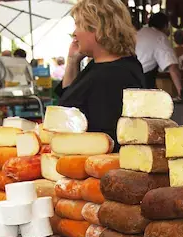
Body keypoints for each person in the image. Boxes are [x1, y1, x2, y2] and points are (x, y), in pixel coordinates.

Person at [57, 0, 144, 144]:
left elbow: (107, 138)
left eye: (78, 24)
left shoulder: (113, 75)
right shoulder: (99, 65)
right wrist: (73, 61)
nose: (74, 33)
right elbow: (69, 96)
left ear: (97, 28)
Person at [135, 13, 183, 95]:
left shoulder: (140, 33)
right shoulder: (160, 37)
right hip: (140, 83)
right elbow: (173, 67)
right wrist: (181, 92)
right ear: (165, 26)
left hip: (126, 80)